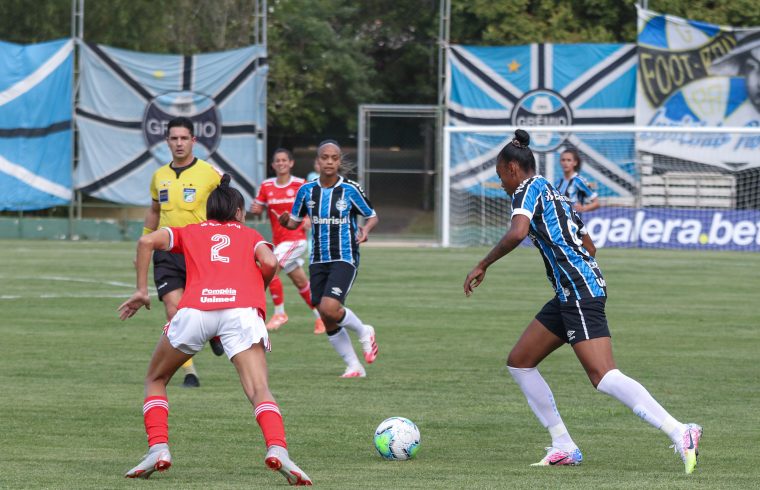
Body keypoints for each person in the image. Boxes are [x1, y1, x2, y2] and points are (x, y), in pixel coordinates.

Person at [463, 129, 702, 473]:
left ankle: (681, 431)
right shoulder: (553, 191)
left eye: (501, 175)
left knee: (603, 376)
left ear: (513, 169)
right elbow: (590, 246)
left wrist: (483, 263)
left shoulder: (525, 190)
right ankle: (563, 446)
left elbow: (517, 232)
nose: (501, 184)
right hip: (572, 291)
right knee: (520, 361)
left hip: (578, 291)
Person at [118, 174, 312, 485]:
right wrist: (255, 289)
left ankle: (158, 449)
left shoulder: (191, 231)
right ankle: (279, 450)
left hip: (195, 311)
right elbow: (271, 261)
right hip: (241, 314)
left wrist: (142, 290)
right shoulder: (250, 235)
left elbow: (146, 241)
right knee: (258, 389)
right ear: (237, 212)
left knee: (155, 378)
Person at [278, 140, 379, 378]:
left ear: (339, 161)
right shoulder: (306, 191)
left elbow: (372, 215)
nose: (330, 162)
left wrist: (366, 230)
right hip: (318, 258)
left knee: (329, 307)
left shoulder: (350, 189)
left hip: (344, 256)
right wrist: (286, 221)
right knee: (325, 315)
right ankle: (354, 365)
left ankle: (364, 331)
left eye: (334, 158)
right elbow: (295, 221)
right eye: (325, 157)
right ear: (318, 161)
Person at [142, 116, 224, 388]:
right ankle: (190, 372)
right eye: (174, 138)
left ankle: (214, 335)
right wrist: (144, 243)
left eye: (183, 138)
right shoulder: (159, 176)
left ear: (193, 141)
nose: (179, 143)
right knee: (174, 311)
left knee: (204, 310)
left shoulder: (209, 174)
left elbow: (230, 206)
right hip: (166, 251)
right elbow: (154, 212)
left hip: (200, 252)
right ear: (167, 141)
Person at [251, 148, 325, 334]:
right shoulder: (267, 186)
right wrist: (256, 209)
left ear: (291, 163)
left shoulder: (301, 184)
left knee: (269, 268)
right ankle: (321, 318)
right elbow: (258, 207)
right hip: (279, 242)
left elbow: (314, 206)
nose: (281, 163)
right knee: (301, 282)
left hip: (296, 240)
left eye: (285, 160)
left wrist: (309, 219)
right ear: (273, 165)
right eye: (278, 160)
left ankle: (280, 313)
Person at [555, 148, 600, 214]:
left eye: (569, 160)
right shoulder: (558, 182)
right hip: (560, 222)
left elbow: (597, 203)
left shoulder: (579, 181)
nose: (565, 163)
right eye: (563, 160)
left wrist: (584, 208)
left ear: (575, 163)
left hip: (574, 223)